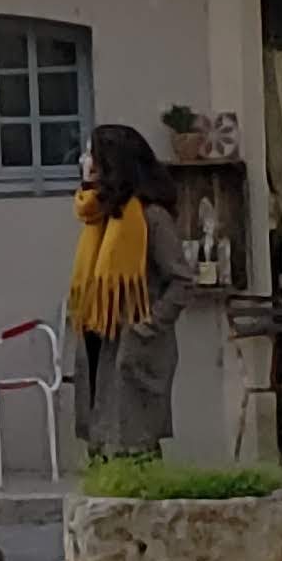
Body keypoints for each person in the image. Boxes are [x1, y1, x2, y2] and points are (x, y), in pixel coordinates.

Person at [68, 119, 193, 457]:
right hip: (98, 341)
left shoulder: (151, 217)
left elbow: (182, 280)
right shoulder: (98, 217)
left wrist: (147, 326)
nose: (82, 160)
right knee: (100, 441)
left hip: (134, 344)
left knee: (134, 443)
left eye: (90, 154)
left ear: (110, 163)